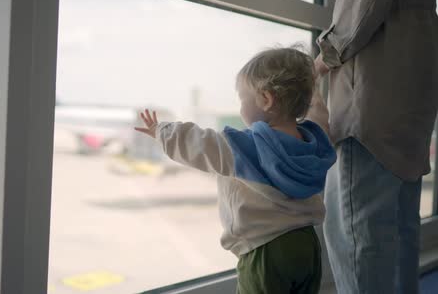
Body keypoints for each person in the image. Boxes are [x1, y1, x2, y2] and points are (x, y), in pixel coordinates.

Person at [135, 46, 336, 293]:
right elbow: (319, 118)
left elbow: (200, 143)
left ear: (266, 99)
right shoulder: (314, 145)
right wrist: (313, 86)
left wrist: (161, 131)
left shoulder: (246, 147)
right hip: (307, 246)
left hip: (265, 251)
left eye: (242, 98)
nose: (240, 107)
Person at [314, 0, 438, 293]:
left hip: (373, 85)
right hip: (412, 73)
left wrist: (317, 63)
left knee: (359, 240)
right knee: (399, 231)